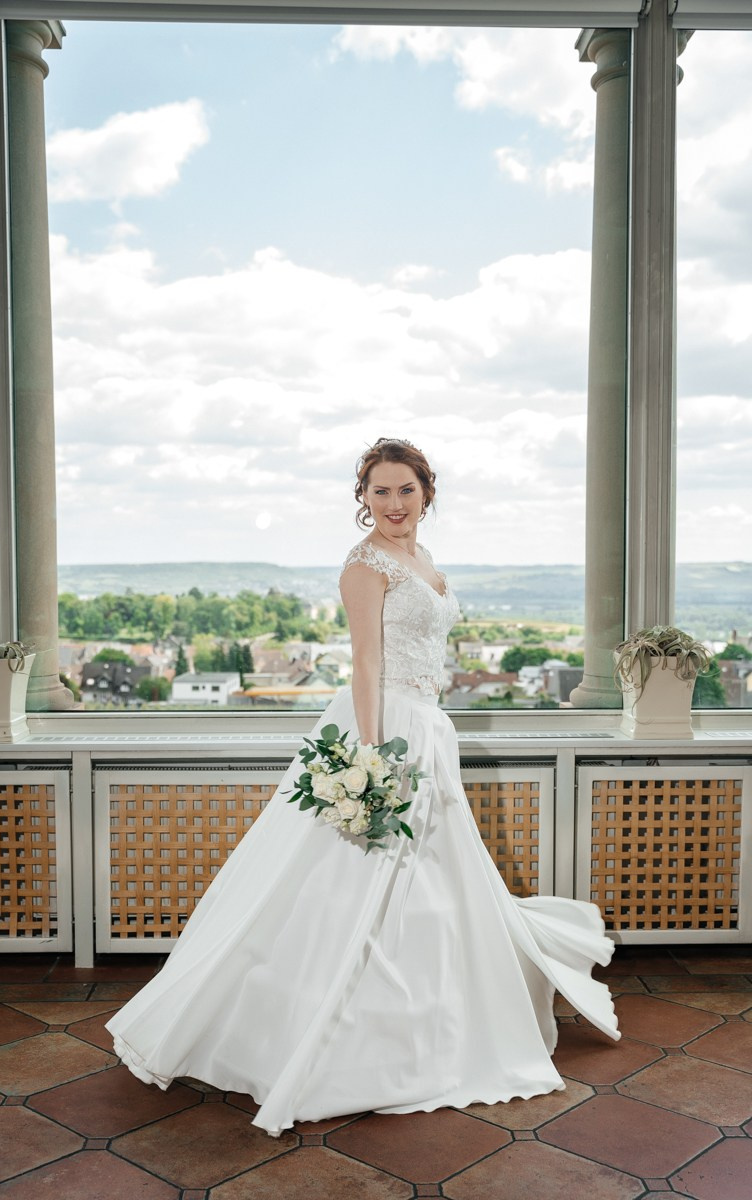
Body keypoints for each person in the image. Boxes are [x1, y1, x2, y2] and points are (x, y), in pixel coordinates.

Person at [106, 437, 619, 1137]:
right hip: (383, 728)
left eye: (405, 490)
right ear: (363, 499)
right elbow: (367, 666)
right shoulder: (363, 565)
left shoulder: (425, 562)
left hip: (432, 727)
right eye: (379, 491)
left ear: (426, 494)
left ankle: (430, 1025)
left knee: (436, 884)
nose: (393, 503)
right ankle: (328, 1036)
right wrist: (372, 762)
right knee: (349, 877)